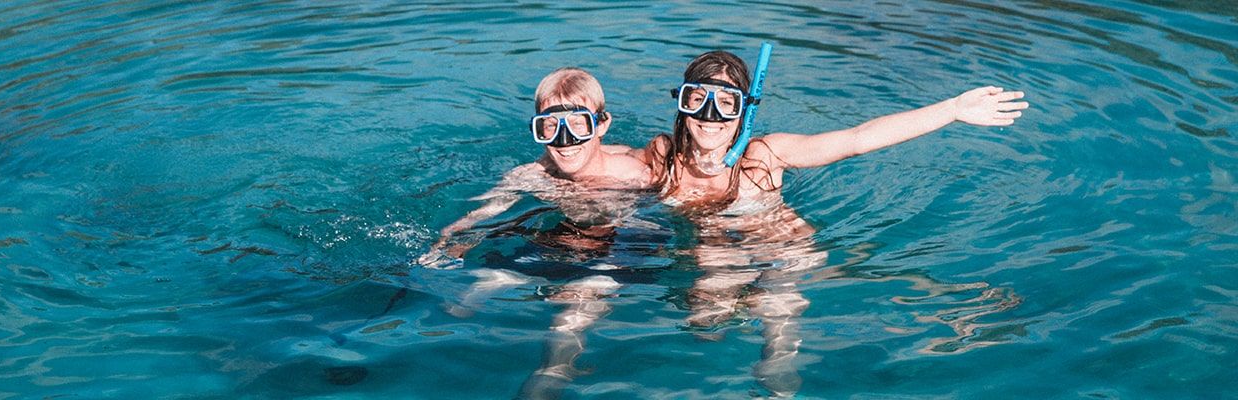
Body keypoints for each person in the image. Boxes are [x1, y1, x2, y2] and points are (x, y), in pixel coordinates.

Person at [630, 50, 1028, 397]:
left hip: (783, 256)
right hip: (718, 255)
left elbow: (857, 138)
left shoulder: (765, 155)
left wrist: (953, 109)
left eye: (726, 104)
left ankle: (778, 390)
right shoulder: (664, 158)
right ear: (681, 105)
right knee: (704, 325)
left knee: (777, 319)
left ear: (745, 111)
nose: (710, 116)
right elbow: (603, 165)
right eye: (698, 100)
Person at [419, 67, 651, 400]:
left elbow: (650, 227)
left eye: (578, 124)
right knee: (469, 296)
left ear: (601, 124)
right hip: (563, 237)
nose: (564, 140)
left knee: (573, 314)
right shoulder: (532, 176)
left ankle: (553, 373)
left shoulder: (633, 174)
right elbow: (477, 217)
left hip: (622, 242)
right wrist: (450, 245)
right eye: (550, 127)